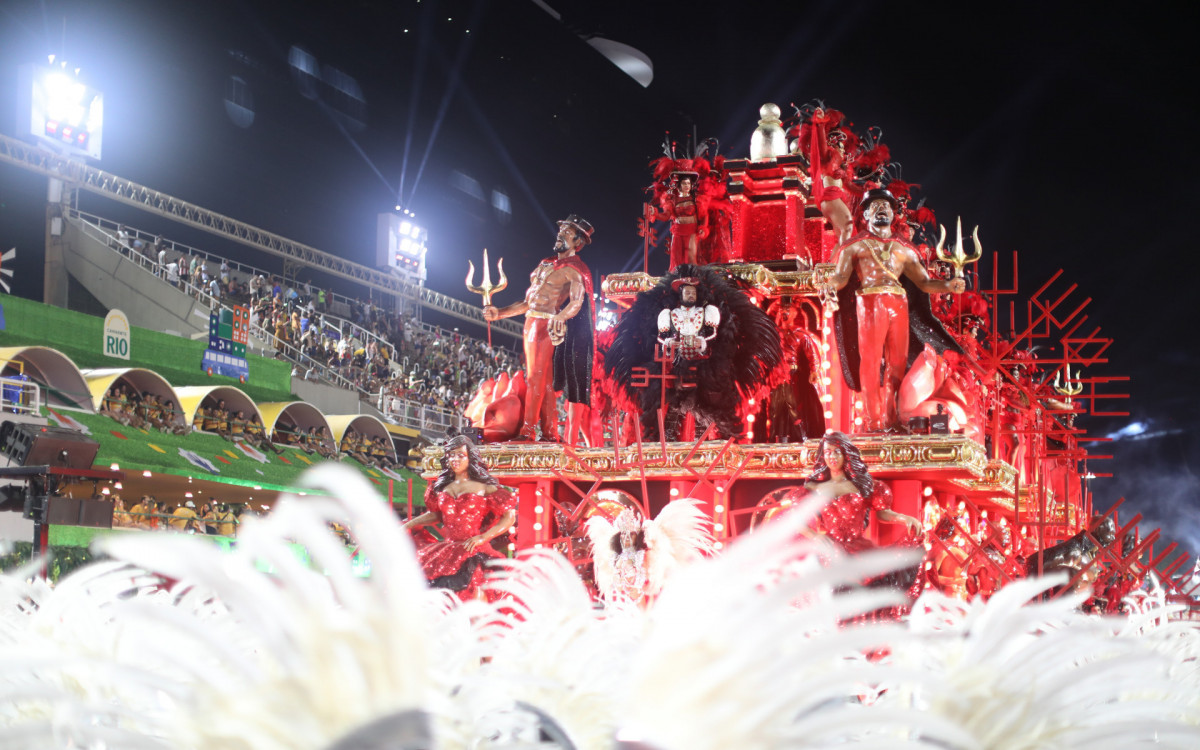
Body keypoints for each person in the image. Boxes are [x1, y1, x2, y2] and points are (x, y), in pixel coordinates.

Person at [824, 189, 965, 432]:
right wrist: (829, 285)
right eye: (875, 206)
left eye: (886, 206)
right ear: (866, 215)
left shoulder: (904, 248)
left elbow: (923, 283)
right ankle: (873, 423)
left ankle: (892, 421)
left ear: (892, 213)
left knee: (897, 364)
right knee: (870, 362)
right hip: (870, 302)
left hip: (898, 303)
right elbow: (840, 277)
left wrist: (948, 286)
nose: (882, 209)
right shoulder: (854, 247)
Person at [483, 215, 595, 442]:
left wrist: (561, 317)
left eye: (567, 232)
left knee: (535, 378)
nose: (560, 234)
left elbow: (577, 302)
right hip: (532, 321)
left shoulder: (575, 270)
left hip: (545, 324)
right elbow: (528, 302)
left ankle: (528, 430)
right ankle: (550, 432)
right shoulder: (545, 264)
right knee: (544, 381)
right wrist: (500, 313)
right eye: (561, 230)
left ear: (578, 242)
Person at [402, 435, 516, 601]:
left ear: (470, 458)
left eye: (461, 455)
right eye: (451, 455)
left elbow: (509, 517)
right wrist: (410, 524)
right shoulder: (441, 487)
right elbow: (437, 514)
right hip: (448, 547)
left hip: (473, 546)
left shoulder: (485, 487)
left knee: (472, 589)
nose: (455, 459)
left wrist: (484, 537)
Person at [800, 431, 920, 552]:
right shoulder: (813, 487)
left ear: (846, 453)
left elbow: (883, 513)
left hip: (858, 550)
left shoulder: (863, 485)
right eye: (828, 452)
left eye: (837, 451)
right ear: (823, 455)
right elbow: (796, 519)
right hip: (828, 551)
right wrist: (814, 536)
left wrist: (904, 518)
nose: (832, 456)